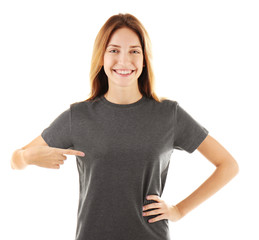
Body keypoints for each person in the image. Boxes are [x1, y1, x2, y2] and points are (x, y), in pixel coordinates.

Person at [11, 13, 239, 240]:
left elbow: (228, 165)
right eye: (114, 50)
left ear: (144, 59)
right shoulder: (78, 116)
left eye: (134, 51)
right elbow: (16, 159)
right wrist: (27, 158)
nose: (124, 61)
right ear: (101, 57)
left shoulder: (168, 114)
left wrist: (178, 211)